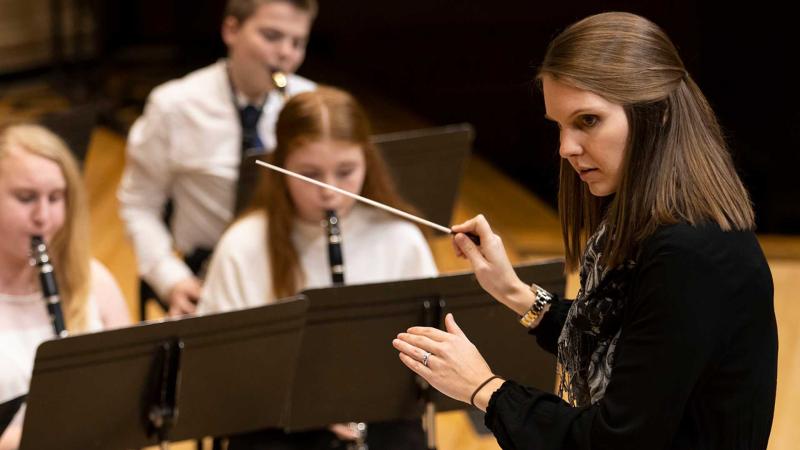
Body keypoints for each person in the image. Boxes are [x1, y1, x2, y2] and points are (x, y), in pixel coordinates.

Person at [393, 12, 777, 450]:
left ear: (658, 113)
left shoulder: (691, 250)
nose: (566, 148)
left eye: (588, 121)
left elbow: (614, 440)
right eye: (559, 125)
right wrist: (513, 291)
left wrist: (483, 388)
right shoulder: (656, 228)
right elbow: (627, 348)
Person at [198, 86, 438, 449]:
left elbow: (431, 350)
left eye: (346, 171)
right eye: (310, 174)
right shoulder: (244, 245)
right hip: (273, 424)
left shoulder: (399, 239)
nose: (329, 191)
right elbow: (215, 367)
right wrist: (307, 401)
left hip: (379, 416)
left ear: (367, 161)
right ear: (280, 168)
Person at [118, 0, 318, 317]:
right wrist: (171, 278)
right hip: (206, 275)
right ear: (231, 30)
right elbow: (139, 204)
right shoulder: (174, 105)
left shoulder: (308, 104)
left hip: (289, 265)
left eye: (298, 43)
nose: (286, 54)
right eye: (271, 36)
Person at [0, 124, 131, 450]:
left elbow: (128, 391)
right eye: (26, 198)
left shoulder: (94, 280)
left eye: (55, 198)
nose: (43, 217)